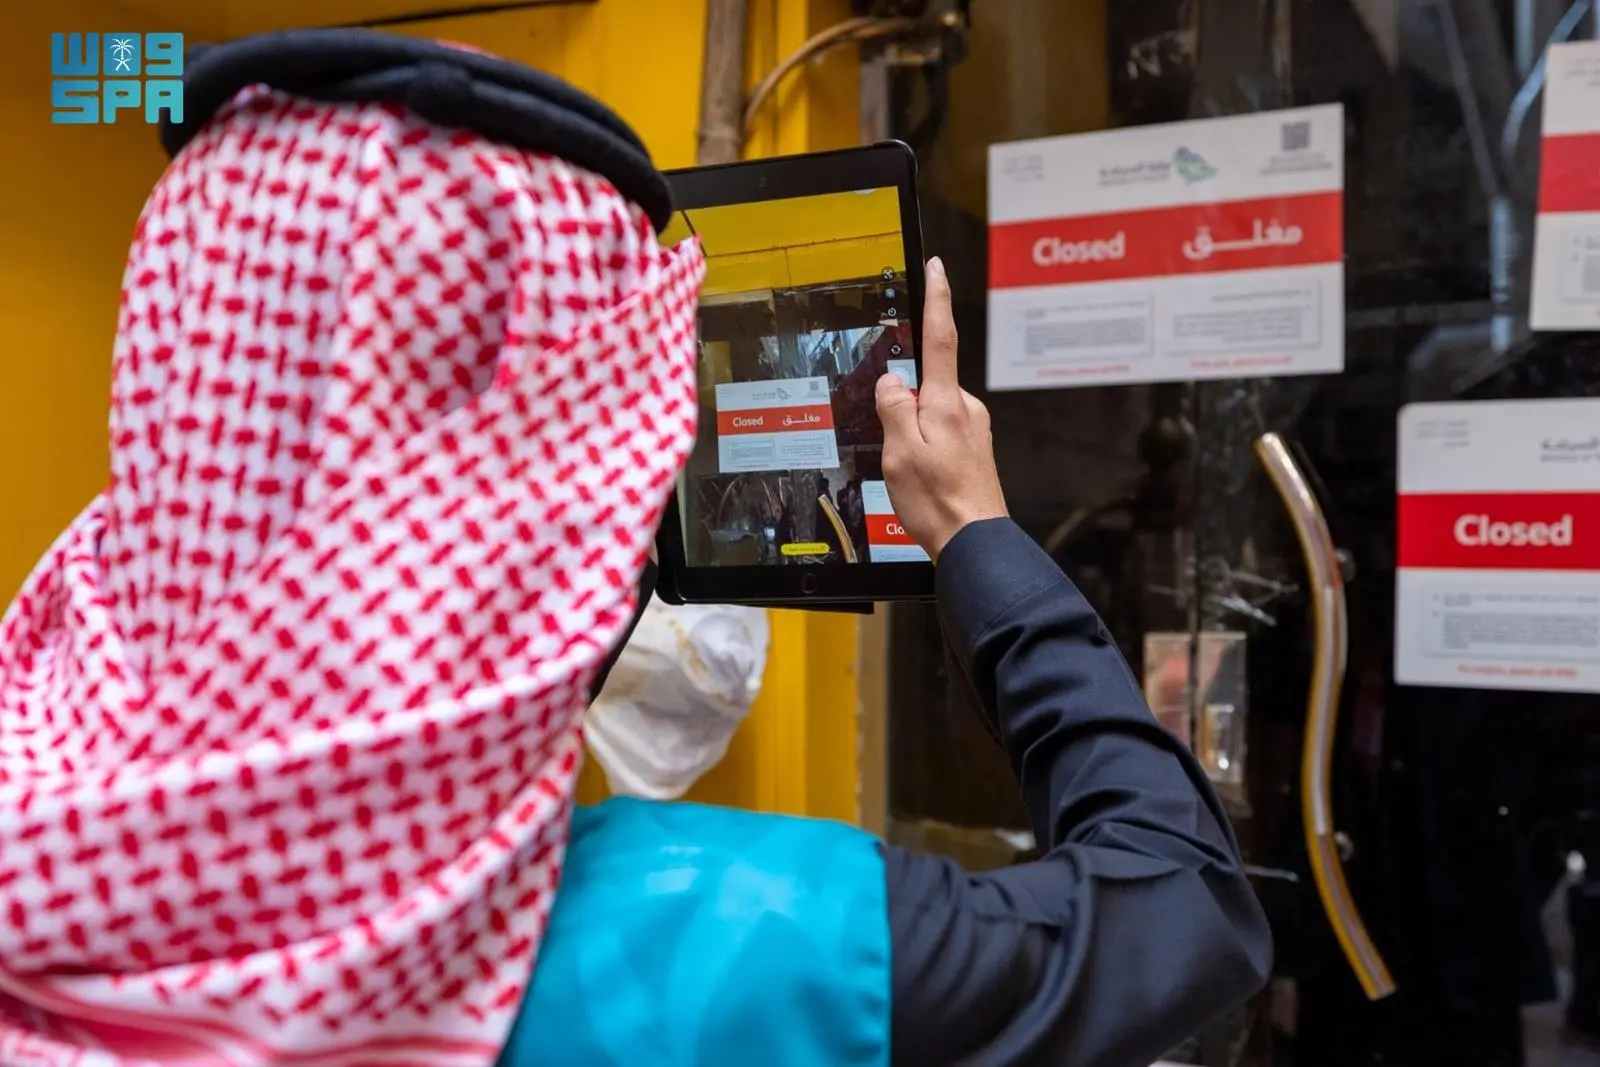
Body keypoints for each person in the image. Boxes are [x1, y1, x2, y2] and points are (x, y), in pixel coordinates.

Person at [0, 31, 1268, 1067]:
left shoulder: (40, 832)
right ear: (572, 466)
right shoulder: (744, 938)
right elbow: (1184, 906)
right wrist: (978, 539)